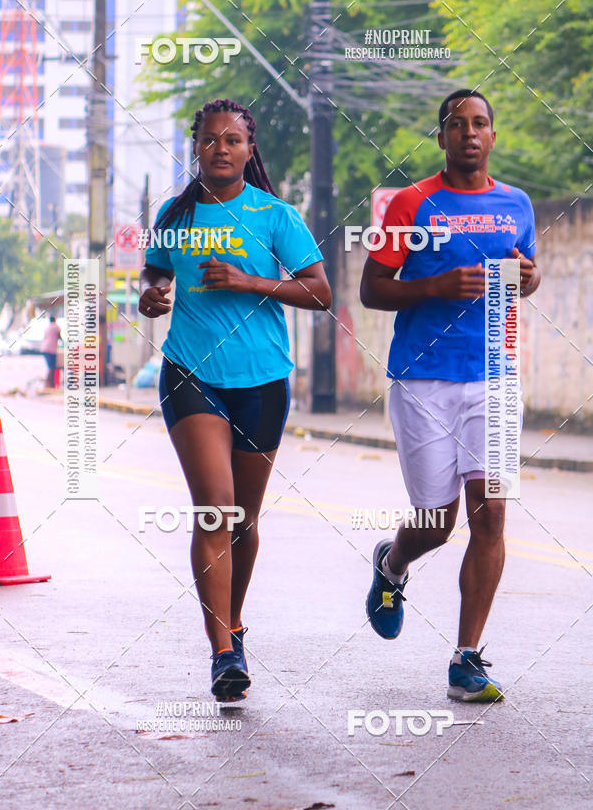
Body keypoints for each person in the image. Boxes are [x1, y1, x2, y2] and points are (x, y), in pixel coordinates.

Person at [138, 99, 331, 701]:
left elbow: (320, 293)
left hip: (263, 380)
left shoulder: (276, 216)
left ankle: (235, 624)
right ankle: (222, 651)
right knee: (216, 510)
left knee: (244, 520)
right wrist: (152, 295)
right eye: (209, 140)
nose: (220, 148)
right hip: (191, 372)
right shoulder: (176, 214)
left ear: (250, 150)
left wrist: (250, 281)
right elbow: (155, 274)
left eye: (232, 140)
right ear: (195, 147)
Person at [361, 89, 541, 702]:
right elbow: (371, 289)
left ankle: (468, 658)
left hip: (492, 376)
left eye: (481, 123)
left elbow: (522, 274)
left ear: (493, 136)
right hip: (423, 380)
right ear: (441, 137)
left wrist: (529, 279)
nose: (470, 132)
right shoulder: (412, 203)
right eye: (458, 124)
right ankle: (392, 562)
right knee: (437, 525)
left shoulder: (516, 204)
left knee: (490, 515)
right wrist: (434, 284)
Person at [40, 316, 61, 389]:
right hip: (51, 349)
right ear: (55, 320)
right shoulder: (56, 327)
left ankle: (49, 384)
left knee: (50, 367)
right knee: (52, 367)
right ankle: (49, 384)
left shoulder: (47, 328)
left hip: (44, 348)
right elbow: (59, 337)